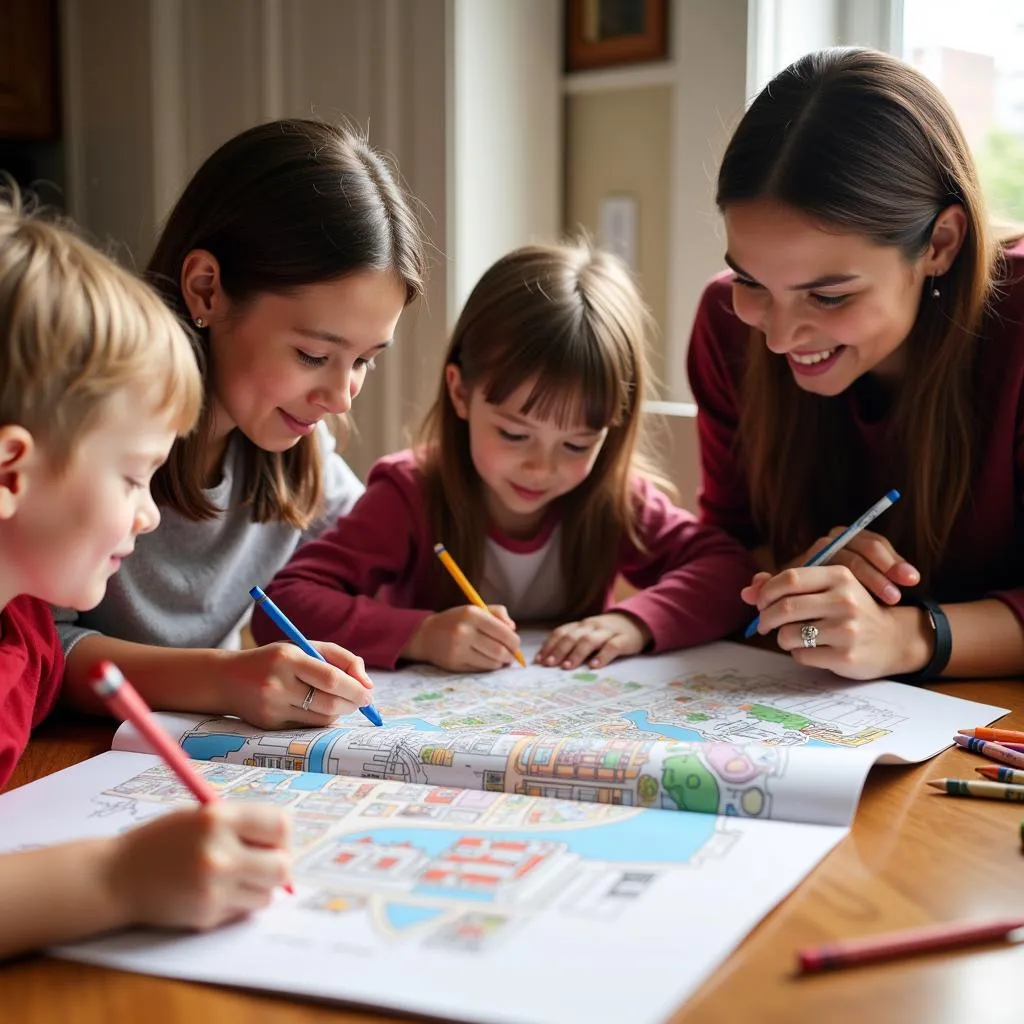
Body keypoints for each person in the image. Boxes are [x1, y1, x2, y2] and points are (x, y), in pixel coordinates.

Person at [54, 119, 426, 727]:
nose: (341, 397)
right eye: (312, 355)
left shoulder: (300, 445)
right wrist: (223, 680)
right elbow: (36, 650)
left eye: (363, 361)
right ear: (206, 289)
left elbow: (378, 568)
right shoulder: (93, 431)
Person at [0, 195, 291, 960]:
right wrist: (117, 879)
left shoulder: (24, 626)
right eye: (134, 478)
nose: (150, 515)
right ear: (10, 470)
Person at [255, 242, 754, 672]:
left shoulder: (612, 499)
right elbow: (280, 608)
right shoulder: (412, 495)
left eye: (577, 444)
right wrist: (421, 635)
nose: (542, 467)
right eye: (515, 435)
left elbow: (728, 571)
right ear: (461, 394)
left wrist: (633, 623)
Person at [687, 47, 1024, 681]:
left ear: (941, 244)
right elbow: (727, 546)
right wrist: (798, 575)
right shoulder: (725, 325)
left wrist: (909, 638)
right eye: (750, 279)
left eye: (829, 295)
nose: (781, 337)